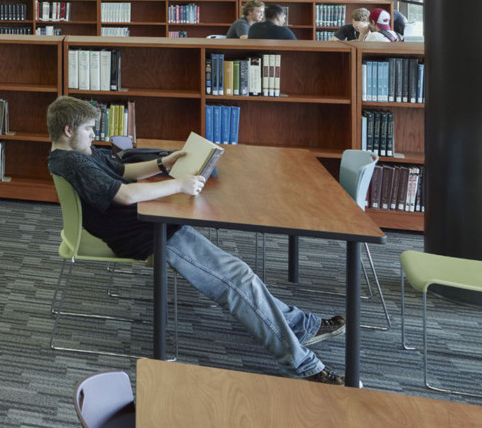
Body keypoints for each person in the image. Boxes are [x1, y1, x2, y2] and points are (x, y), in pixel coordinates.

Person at [46, 96, 346, 383]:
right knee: (235, 279)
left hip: (150, 223)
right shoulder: (72, 163)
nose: (93, 134)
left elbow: (122, 172)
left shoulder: (79, 154)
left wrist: (165, 163)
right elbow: (124, 194)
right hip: (143, 234)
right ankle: (302, 364)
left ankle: (302, 325)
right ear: (68, 130)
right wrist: (178, 185)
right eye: (88, 129)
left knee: (238, 273)